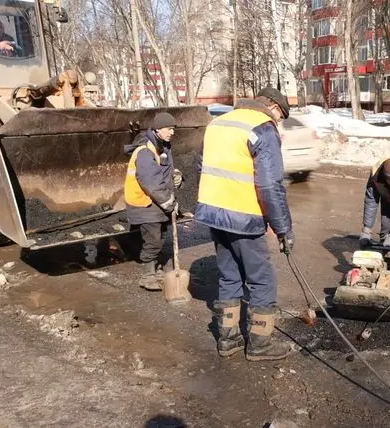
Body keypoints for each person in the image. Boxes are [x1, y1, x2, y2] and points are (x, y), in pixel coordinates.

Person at [195, 87, 294, 362]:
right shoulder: (262, 127)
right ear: (273, 106)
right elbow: (269, 185)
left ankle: (228, 340)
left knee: (229, 276)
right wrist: (283, 228)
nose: (279, 122)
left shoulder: (218, 123)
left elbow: (200, 163)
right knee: (262, 280)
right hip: (244, 216)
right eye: (280, 116)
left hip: (214, 212)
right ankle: (260, 344)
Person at [123, 112, 183, 290]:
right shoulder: (144, 151)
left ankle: (155, 268)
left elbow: (162, 171)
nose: (172, 132)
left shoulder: (161, 147)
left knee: (159, 236)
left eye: (173, 128)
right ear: (158, 129)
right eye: (169, 129)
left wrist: (177, 174)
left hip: (154, 202)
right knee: (153, 240)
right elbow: (151, 182)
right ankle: (148, 275)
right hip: (144, 203)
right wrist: (169, 203)